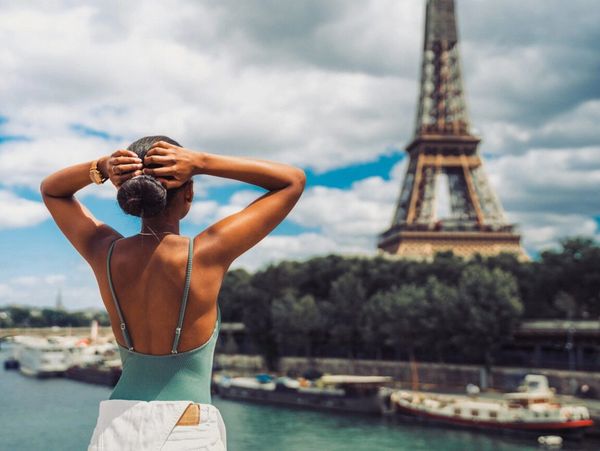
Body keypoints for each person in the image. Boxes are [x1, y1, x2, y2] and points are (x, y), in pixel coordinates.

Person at [39, 136, 306, 450]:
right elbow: (292, 181)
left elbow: (52, 190)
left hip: (116, 427)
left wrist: (101, 166)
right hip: (186, 428)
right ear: (188, 192)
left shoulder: (104, 252)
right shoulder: (206, 254)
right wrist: (201, 162)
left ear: (127, 190)